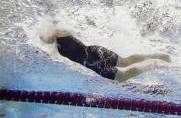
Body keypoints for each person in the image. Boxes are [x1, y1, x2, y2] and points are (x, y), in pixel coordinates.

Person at [40, 29, 171, 82]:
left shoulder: (60, 34)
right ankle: (154, 61)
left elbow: (54, 32)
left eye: (43, 37)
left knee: (123, 71)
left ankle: (155, 61)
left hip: (93, 56)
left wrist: (49, 33)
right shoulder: (57, 47)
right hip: (92, 58)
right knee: (124, 66)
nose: (43, 39)